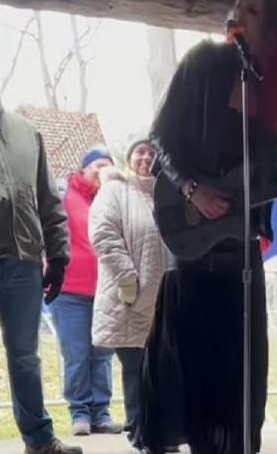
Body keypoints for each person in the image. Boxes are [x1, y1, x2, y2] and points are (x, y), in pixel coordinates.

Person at [137, 0, 277, 454]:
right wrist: (193, 189)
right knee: (193, 382)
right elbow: (160, 137)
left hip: (240, 257)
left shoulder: (271, 93)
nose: (238, 14)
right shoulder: (202, 63)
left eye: (252, 9)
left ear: (273, 30)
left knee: (238, 390)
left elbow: (263, 178)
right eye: (238, 6)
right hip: (193, 250)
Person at [0, 39, 83, 454]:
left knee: (26, 357)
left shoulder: (26, 132)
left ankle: (39, 439)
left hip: (24, 261)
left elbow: (48, 198)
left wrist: (59, 254)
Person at [88, 136, 172, 452]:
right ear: (129, 157)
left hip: (165, 297)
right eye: (140, 151)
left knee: (164, 368)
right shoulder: (115, 191)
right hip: (128, 297)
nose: (146, 157)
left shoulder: (166, 194)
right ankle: (140, 432)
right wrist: (127, 279)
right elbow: (104, 236)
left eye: (152, 152)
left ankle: (162, 433)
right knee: (137, 370)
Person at [49, 146, 124, 436]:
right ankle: (79, 412)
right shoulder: (64, 195)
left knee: (103, 353)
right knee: (77, 353)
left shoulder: (113, 198)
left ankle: (101, 412)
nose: (102, 171)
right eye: (98, 166)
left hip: (107, 289)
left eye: (108, 166)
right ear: (84, 169)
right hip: (70, 290)